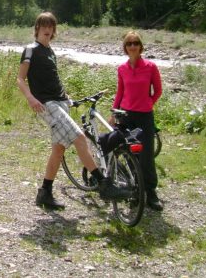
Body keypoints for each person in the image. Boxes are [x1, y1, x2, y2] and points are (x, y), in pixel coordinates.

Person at [17, 12, 129, 209]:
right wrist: (30, 98)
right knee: (79, 137)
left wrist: (67, 98)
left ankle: (45, 193)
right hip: (46, 104)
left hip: (60, 103)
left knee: (58, 150)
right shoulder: (30, 50)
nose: (48, 29)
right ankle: (103, 183)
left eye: (51, 26)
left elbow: (54, 78)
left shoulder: (50, 51)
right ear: (37, 28)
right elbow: (20, 79)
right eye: (44, 25)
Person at [110, 30, 164, 211]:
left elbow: (157, 90)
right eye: (129, 44)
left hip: (144, 116)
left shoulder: (150, 67)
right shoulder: (122, 69)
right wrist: (114, 112)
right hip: (126, 115)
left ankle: (151, 192)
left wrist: (149, 102)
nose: (132, 46)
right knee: (131, 153)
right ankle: (135, 189)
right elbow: (120, 92)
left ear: (141, 46)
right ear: (125, 48)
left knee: (147, 155)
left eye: (135, 43)